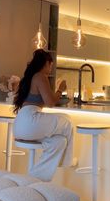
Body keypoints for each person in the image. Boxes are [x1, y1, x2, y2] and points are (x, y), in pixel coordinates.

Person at [13, 49, 73, 182]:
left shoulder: (30, 77)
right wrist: (60, 89)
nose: (51, 68)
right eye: (51, 64)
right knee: (67, 120)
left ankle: (34, 179)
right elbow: (50, 102)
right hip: (30, 121)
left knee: (59, 142)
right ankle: (67, 161)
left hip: (21, 125)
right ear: (46, 63)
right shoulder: (40, 76)